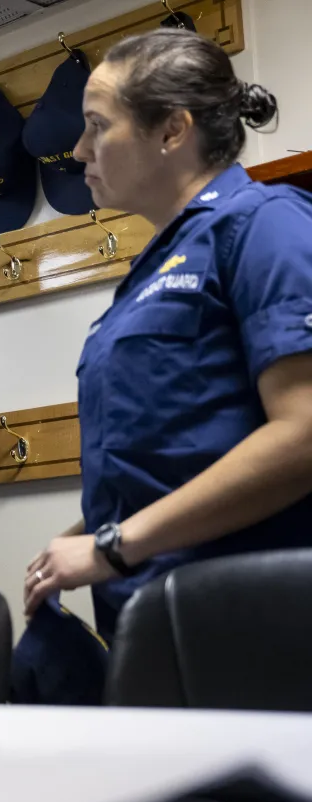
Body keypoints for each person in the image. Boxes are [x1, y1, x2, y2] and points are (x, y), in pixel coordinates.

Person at [23, 30, 312, 643]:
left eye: (97, 125)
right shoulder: (158, 265)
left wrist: (115, 543)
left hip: (253, 624)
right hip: (158, 621)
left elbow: (305, 431)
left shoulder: (265, 225)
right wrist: (86, 534)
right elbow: (179, 451)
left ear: (172, 131)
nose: (78, 150)